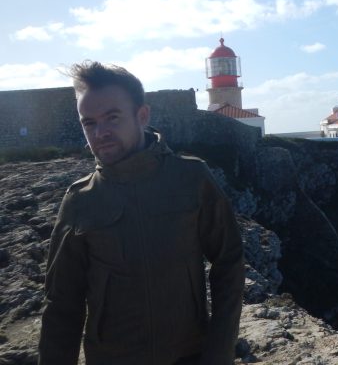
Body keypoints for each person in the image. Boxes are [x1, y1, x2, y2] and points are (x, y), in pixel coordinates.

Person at [38, 61, 245, 365]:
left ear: (142, 116)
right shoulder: (80, 200)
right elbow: (61, 304)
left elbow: (229, 262)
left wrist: (219, 352)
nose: (101, 132)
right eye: (89, 123)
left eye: (112, 117)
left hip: (189, 355)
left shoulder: (191, 178)